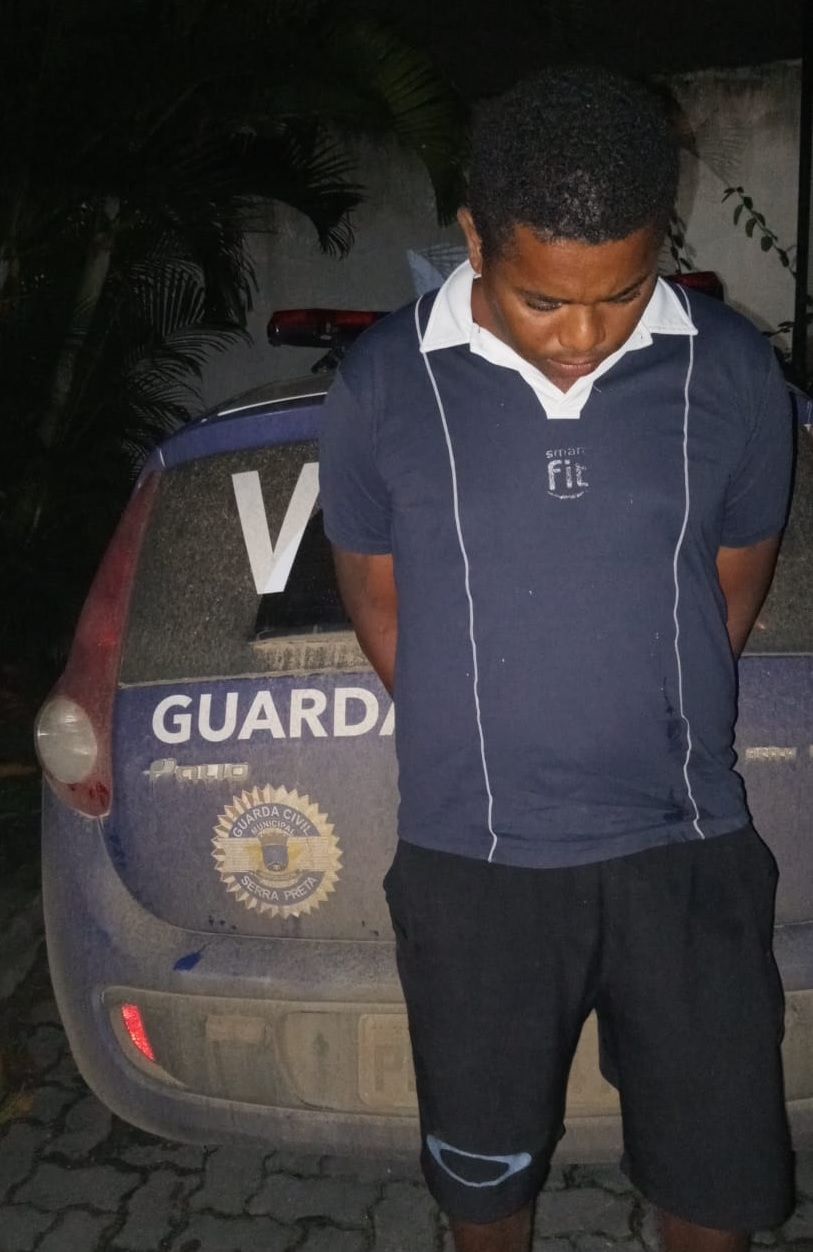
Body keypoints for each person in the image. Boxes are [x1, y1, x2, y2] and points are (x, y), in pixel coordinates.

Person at [318, 65, 795, 1252]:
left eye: (621, 294)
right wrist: (485, 731)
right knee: (485, 1195)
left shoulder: (733, 372)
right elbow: (380, 603)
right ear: (476, 237)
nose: (584, 337)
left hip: (687, 847)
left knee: (719, 1189)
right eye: (543, 300)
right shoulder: (383, 384)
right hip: (476, 867)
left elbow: (731, 584)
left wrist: (652, 712)